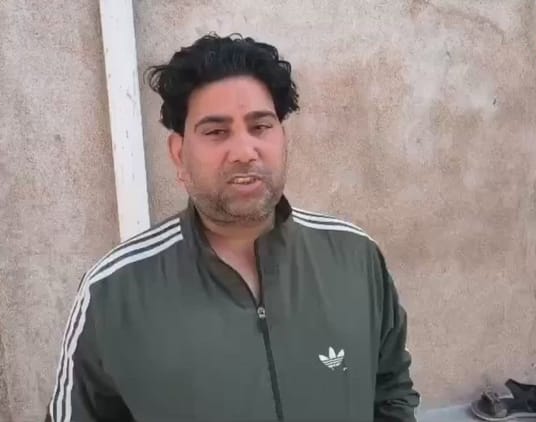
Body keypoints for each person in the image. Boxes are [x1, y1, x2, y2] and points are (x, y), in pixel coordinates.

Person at [46, 32, 420, 422]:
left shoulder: (354, 257)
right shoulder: (113, 293)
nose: (244, 151)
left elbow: (391, 391)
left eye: (260, 126)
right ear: (179, 154)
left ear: (283, 139)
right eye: (216, 132)